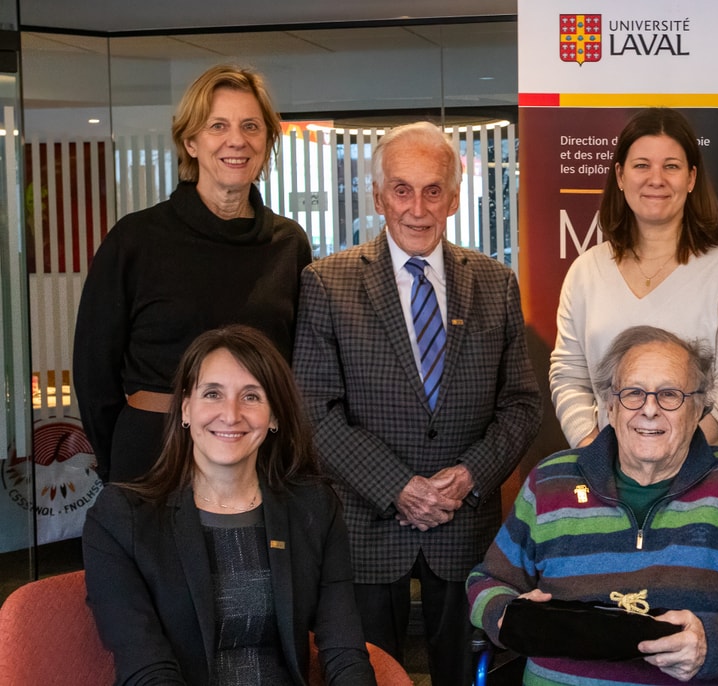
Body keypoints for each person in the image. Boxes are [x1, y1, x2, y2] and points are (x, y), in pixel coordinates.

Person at [293, 121, 540, 686]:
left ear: (454, 198)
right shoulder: (326, 284)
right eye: (402, 190)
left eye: (433, 191)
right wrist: (397, 486)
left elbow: (522, 404)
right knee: (369, 675)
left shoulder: (496, 283)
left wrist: (470, 475)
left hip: (464, 527)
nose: (418, 208)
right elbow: (314, 410)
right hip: (366, 528)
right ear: (378, 197)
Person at [469, 326, 718, 685]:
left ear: (698, 408)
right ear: (610, 405)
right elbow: (489, 580)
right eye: (633, 393)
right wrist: (503, 614)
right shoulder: (550, 480)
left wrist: (714, 645)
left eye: (670, 395)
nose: (649, 410)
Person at [82, 325, 376, 686]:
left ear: (274, 416)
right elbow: (145, 668)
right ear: (186, 408)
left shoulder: (315, 508)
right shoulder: (120, 517)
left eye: (251, 396)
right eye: (212, 394)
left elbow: (344, 650)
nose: (231, 414)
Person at [74, 63, 312, 483]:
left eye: (251, 126)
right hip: (153, 455)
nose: (237, 140)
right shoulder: (136, 239)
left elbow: (300, 369)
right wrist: (118, 466)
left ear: (267, 141)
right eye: (218, 126)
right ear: (191, 142)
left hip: (259, 457)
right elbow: (95, 372)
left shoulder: (288, 244)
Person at [550, 107, 718, 456]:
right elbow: (569, 378)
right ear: (620, 176)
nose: (656, 179)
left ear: (691, 178)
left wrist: (671, 462)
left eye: (671, 166)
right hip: (608, 475)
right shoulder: (585, 272)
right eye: (641, 165)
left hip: (711, 470)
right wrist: (595, 454)